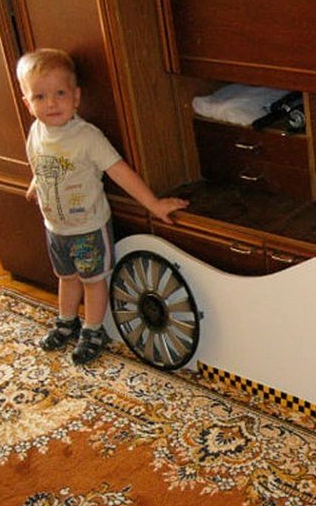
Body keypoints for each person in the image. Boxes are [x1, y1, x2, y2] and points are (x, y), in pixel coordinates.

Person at [16, 48, 189, 364]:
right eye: (40, 96)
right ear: (27, 103)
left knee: (92, 281)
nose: (51, 103)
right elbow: (41, 162)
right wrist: (35, 183)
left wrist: (153, 204)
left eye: (59, 93)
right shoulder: (37, 132)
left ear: (76, 97)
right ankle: (67, 321)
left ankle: (93, 329)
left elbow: (119, 171)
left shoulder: (87, 137)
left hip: (87, 230)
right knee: (66, 277)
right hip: (55, 229)